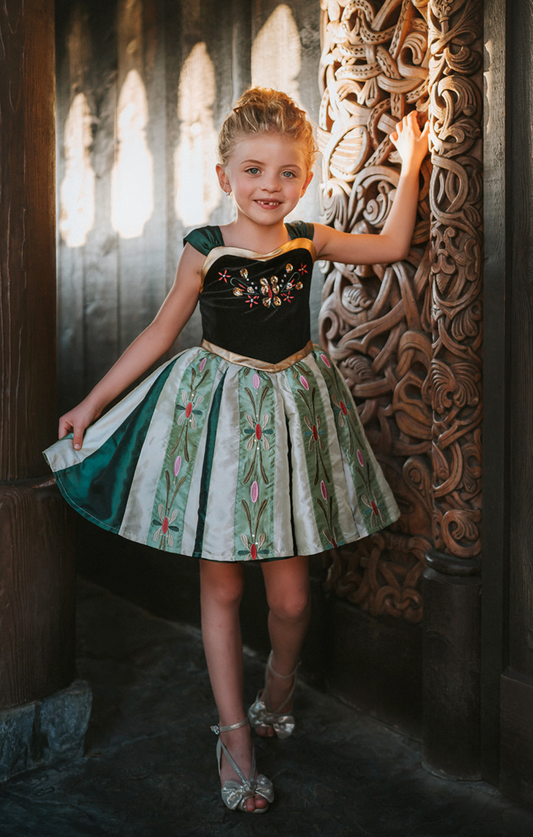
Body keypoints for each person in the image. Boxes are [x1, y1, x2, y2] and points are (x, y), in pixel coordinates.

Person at [44, 87, 429, 814]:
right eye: (252, 171)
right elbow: (161, 333)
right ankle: (232, 737)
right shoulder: (205, 248)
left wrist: (410, 165)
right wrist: (91, 402)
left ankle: (276, 687)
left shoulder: (305, 240)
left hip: (290, 420)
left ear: (305, 179)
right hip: (218, 423)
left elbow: (390, 246)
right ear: (226, 176)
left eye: (285, 173)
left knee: (288, 597)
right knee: (221, 587)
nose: (268, 187)